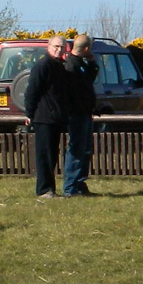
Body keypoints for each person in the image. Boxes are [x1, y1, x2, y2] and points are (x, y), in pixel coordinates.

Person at [17, 35, 70, 199]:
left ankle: (50, 189)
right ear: (49, 46)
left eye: (62, 47)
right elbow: (32, 91)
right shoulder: (43, 66)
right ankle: (44, 190)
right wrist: (29, 114)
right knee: (44, 155)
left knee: (52, 155)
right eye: (56, 46)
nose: (58, 49)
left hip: (55, 118)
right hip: (43, 118)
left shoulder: (59, 66)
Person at [61, 34, 99, 196]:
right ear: (85, 48)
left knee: (85, 150)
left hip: (85, 113)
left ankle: (80, 183)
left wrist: (91, 62)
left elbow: (90, 78)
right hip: (76, 114)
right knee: (76, 150)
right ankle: (70, 186)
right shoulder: (71, 66)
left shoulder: (81, 64)